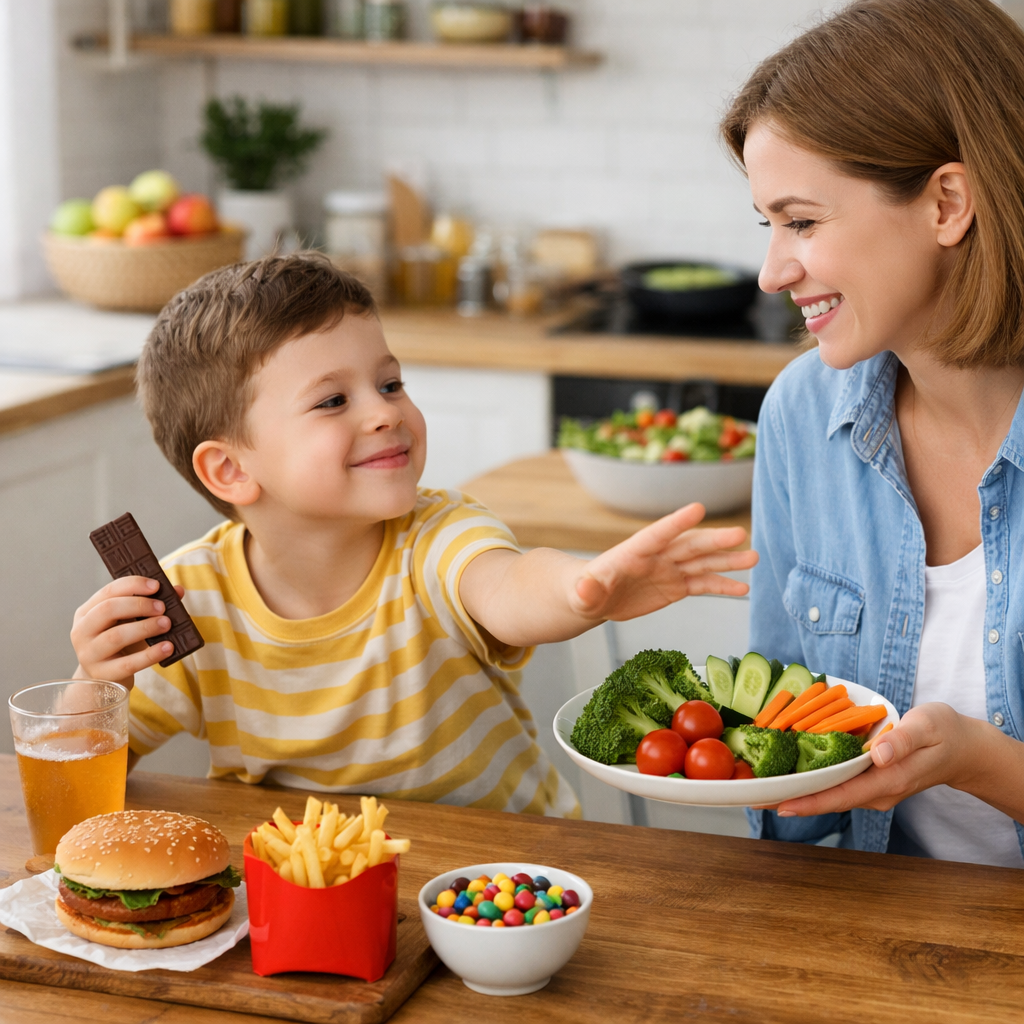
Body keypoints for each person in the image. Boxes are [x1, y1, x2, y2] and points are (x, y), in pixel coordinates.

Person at [69, 253, 756, 815]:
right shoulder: (191, 599)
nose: (384, 413)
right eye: (335, 400)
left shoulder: (436, 535)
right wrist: (94, 682)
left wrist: (581, 591)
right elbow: (82, 779)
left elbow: (507, 585)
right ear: (230, 469)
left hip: (503, 879)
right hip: (317, 891)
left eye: (390, 383)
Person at [721, 0, 1024, 866]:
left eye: (803, 221)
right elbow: (778, 752)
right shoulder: (800, 415)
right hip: (872, 938)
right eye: (768, 225)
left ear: (947, 203)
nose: (774, 271)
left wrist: (981, 763)